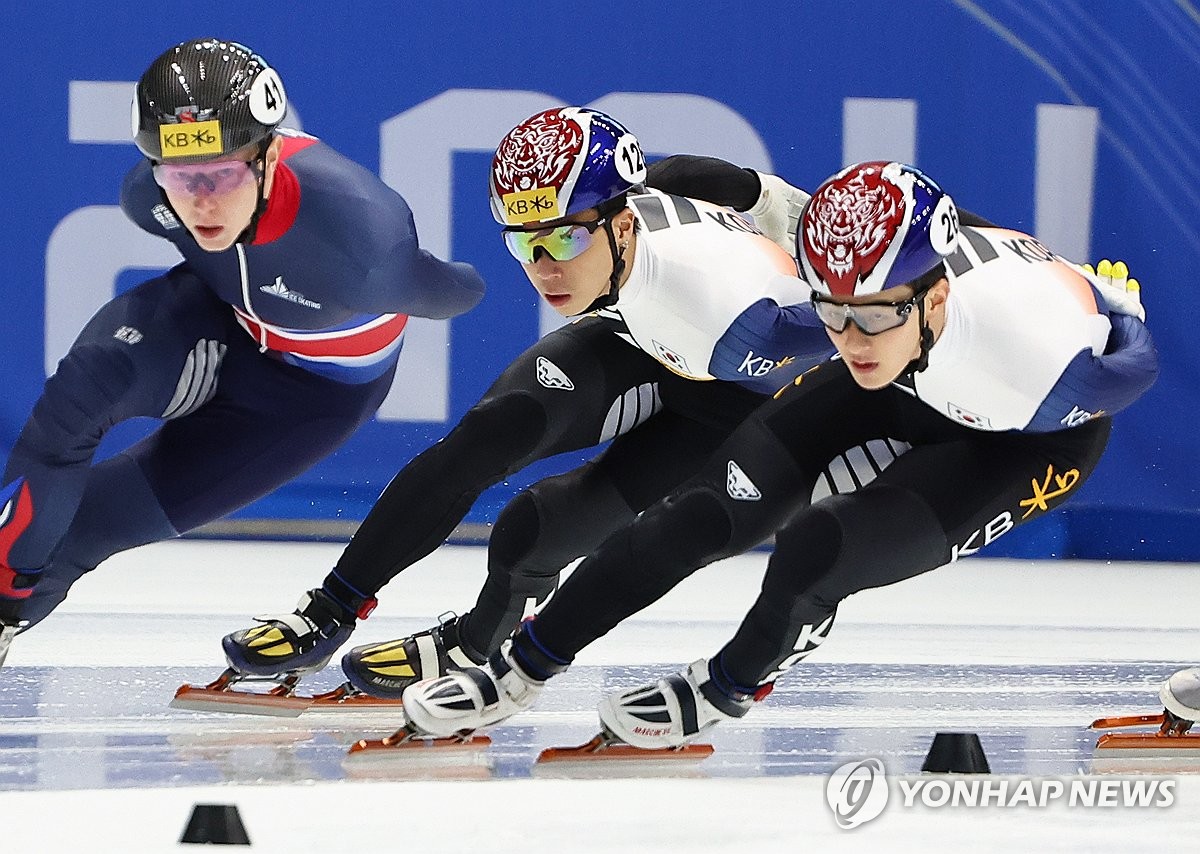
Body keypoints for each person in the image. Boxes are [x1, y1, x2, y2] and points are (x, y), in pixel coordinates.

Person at [397, 159, 1159, 747]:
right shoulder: (865, 304)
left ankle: (729, 683)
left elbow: (1137, 366)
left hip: (1023, 437)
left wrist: (1119, 311)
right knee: (700, 511)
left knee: (819, 547)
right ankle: (522, 667)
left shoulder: (1048, 364)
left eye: (872, 317)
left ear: (933, 297)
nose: (850, 339)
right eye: (831, 312)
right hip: (903, 382)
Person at [218, 106, 844, 695]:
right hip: (641, 334)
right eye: (525, 243)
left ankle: (474, 644)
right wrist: (784, 205)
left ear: (622, 224)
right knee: (487, 437)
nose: (545, 267)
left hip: (730, 390)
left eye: (565, 242)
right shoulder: (648, 189)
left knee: (540, 529)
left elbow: (863, 329)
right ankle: (326, 614)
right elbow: (725, 182)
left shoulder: (740, 319)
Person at [0, 38, 485, 659]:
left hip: (309, 400)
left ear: (271, 154)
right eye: (179, 176)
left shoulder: (362, 243)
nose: (200, 199)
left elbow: (458, 292)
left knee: (86, 529)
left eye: (222, 174)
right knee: (78, 399)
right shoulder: (150, 198)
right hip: (214, 321)